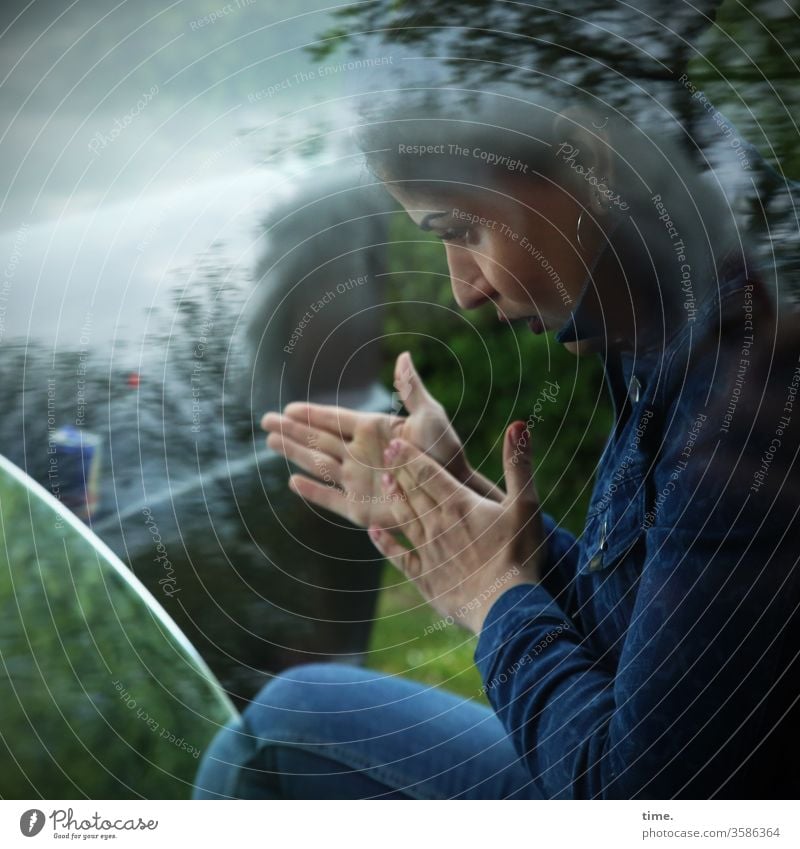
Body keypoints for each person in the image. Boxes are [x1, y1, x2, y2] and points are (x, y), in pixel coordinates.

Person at [193, 94, 800, 799]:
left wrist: (491, 596)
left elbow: (637, 801)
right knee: (299, 713)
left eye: (463, 229)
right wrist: (468, 514)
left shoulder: (742, 414)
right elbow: (661, 630)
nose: (463, 291)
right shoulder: (669, 347)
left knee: (282, 736)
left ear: (586, 160)